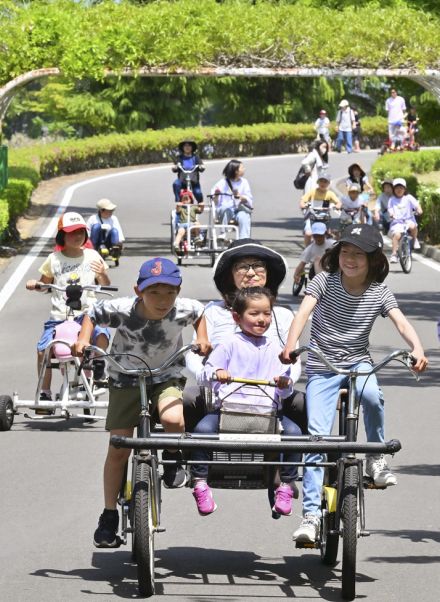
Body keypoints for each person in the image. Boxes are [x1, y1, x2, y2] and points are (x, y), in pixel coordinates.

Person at [280, 223, 428, 543]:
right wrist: (291, 345)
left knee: (373, 398)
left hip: (358, 364)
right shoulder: (323, 281)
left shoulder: (379, 291)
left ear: (373, 259)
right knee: (317, 439)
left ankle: (375, 458)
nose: (350, 259)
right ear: (337, 254)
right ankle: (311, 516)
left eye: (358, 254)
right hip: (321, 366)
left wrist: (417, 347)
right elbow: (302, 314)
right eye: (345, 251)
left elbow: (401, 322)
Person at [73, 257, 210, 548]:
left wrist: (202, 338)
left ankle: (173, 458)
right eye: (154, 293)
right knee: (119, 448)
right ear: (139, 291)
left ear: (179, 291)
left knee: (174, 420)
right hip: (125, 378)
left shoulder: (185, 308)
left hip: (166, 375)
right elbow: (92, 314)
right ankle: (109, 515)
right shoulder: (121, 310)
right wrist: (84, 340)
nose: (163, 300)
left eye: (170, 293)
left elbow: (200, 314)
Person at [184, 238, 307, 454]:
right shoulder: (212, 311)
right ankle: (186, 459)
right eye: (242, 267)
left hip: (272, 395)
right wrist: (209, 375)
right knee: (182, 400)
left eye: (258, 266)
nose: (251, 272)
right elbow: (194, 354)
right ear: (229, 275)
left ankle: (311, 466)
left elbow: (294, 359)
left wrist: (285, 381)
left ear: (268, 273)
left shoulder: (284, 315)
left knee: (309, 404)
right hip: (217, 392)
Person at [191, 286, 302, 517]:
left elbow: (287, 387)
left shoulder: (274, 348)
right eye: (254, 313)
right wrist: (216, 372)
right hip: (229, 412)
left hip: (267, 415)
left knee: (295, 434)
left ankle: (286, 485)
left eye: (267, 313)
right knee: (201, 430)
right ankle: (200, 482)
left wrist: (284, 383)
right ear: (236, 317)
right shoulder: (229, 344)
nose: (262, 319)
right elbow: (205, 374)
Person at [25, 212, 111, 407]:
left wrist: (102, 274)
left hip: (87, 314)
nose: (77, 236)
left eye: (81, 231)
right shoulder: (53, 259)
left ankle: (98, 366)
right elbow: (45, 285)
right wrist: (35, 284)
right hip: (59, 316)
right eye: (72, 232)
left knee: (102, 333)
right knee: (42, 350)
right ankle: (45, 391)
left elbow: (105, 284)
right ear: (62, 235)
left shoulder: (92, 255)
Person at [211, 159, 253, 239]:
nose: (244, 169)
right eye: (242, 167)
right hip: (225, 210)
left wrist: (240, 196)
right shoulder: (222, 183)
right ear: (236, 171)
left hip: (238, 209)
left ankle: (244, 240)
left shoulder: (244, 182)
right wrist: (216, 195)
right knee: (226, 208)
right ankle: (223, 233)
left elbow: (249, 198)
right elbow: (214, 200)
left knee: (244, 216)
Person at [300, 173, 341, 246]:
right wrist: (303, 204)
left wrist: (337, 206)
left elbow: (338, 202)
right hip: (312, 216)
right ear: (318, 182)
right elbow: (303, 200)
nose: (323, 183)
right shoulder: (313, 192)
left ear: (328, 183)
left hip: (324, 218)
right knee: (308, 233)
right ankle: (307, 250)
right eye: (321, 181)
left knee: (328, 234)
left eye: (325, 181)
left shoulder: (330, 194)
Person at [388, 178, 423, 263]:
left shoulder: (409, 198)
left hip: (408, 220)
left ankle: (414, 240)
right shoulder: (391, 199)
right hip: (397, 222)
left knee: (413, 226)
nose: (399, 190)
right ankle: (394, 254)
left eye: (401, 187)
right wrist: (392, 214)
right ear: (393, 189)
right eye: (396, 188)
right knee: (396, 235)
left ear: (405, 189)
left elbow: (417, 206)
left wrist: (419, 210)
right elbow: (390, 209)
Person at [173, 189, 204, 253]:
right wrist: (178, 206)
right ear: (181, 201)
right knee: (180, 231)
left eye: (187, 199)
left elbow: (200, 210)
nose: (186, 201)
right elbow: (178, 210)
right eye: (184, 199)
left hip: (192, 225)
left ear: (191, 200)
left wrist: (202, 206)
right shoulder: (181, 208)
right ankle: (176, 244)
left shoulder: (193, 207)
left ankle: (197, 237)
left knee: (197, 223)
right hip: (183, 224)